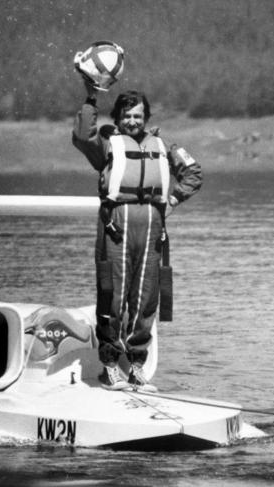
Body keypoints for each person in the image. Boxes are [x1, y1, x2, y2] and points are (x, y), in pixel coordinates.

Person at [72, 80, 203, 390]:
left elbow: (193, 173)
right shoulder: (107, 146)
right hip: (117, 228)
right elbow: (82, 135)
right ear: (117, 118)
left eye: (138, 116)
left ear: (146, 118)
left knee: (145, 301)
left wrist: (173, 198)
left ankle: (136, 366)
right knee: (113, 298)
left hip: (152, 231)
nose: (133, 121)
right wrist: (92, 98)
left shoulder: (162, 146)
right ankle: (109, 366)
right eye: (127, 116)